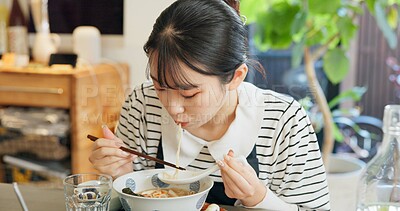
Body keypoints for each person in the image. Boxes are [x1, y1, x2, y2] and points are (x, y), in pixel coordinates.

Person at [89, 0, 330, 210]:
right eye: (161, 87)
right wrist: (120, 174)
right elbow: (127, 202)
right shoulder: (142, 103)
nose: (172, 108)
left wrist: (257, 197)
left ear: (236, 77)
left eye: (189, 94)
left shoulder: (284, 121)